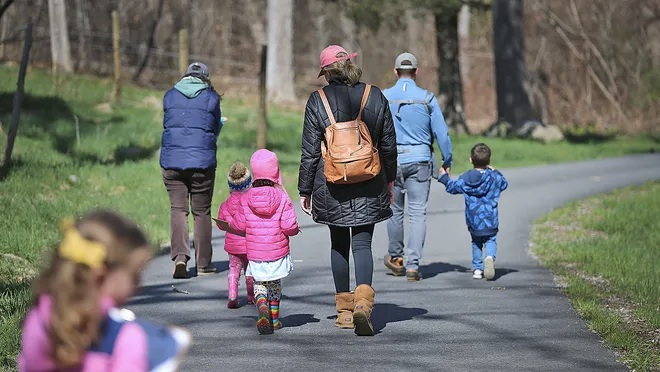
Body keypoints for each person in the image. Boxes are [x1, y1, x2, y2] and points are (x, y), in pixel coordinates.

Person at [298, 45, 398, 336]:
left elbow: (309, 154)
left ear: (326, 72)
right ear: (351, 65)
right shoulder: (375, 95)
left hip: (331, 183)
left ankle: (343, 312)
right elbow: (389, 145)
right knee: (363, 244)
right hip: (369, 180)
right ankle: (363, 306)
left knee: (338, 243)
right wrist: (389, 180)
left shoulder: (317, 101)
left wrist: (305, 190)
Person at [18, 210, 191, 371]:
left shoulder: (39, 320)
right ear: (100, 275)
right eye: (134, 275)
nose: (138, 284)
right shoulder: (129, 338)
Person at [382, 52, 453, 281]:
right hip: (421, 160)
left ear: (395, 72)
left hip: (392, 162)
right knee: (418, 213)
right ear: (416, 72)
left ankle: (396, 257)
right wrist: (447, 160)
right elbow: (442, 133)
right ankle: (413, 265)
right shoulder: (427, 98)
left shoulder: (384, 97)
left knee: (394, 211)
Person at [160, 62, 224, 279]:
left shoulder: (169, 96)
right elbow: (214, 127)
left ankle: (179, 257)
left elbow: (168, 124)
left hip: (172, 161)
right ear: (205, 78)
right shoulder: (212, 98)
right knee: (201, 211)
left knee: (178, 209)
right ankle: (203, 263)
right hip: (202, 163)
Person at [230, 149, 299, 335]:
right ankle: (275, 320)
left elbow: (239, 225)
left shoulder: (246, 198)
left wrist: (229, 224)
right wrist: (295, 230)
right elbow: (289, 225)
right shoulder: (282, 197)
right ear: (275, 171)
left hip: (256, 253)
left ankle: (261, 307)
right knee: (274, 284)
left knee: (260, 283)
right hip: (277, 252)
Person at [437, 143, 508, 280]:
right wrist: (495, 171)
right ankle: (489, 257)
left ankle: (477, 269)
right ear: (489, 161)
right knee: (491, 240)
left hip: (474, 219)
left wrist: (444, 177)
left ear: (471, 160)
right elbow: (504, 184)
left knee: (476, 242)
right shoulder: (493, 177)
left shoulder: (466, 178)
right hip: (490, 218)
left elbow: (453, 187)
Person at [217, 161, 255, 308]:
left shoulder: (225, 204)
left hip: (233, 246)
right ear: (249, 183)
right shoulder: (251, 203)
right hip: (249, 244)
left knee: (234, 270)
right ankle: (251, 296)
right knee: (250, 271)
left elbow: (221, 225)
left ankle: (232, 295)